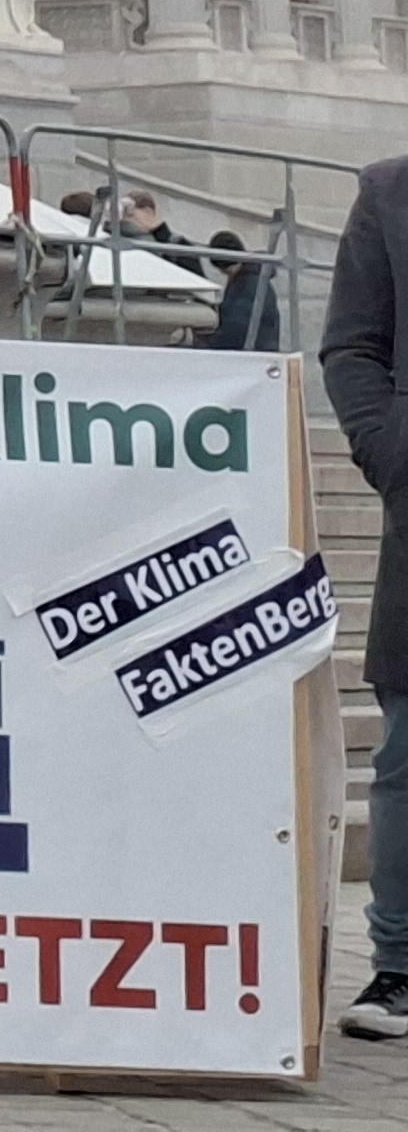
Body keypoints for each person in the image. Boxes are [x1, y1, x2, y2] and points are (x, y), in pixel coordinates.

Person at [325, 152, 408, 1039]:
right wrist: (392, 455)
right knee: (406, 756)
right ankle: (399, 966)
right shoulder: (390, 192)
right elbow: (352, 344)